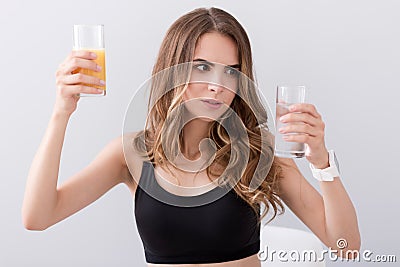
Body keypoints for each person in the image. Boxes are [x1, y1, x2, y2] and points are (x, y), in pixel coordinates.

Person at [22, 7, 360, 267]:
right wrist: (61, 112)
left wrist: (322, 163)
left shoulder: (258, 154)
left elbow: (347, 247)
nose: (217, 84)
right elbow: (38, 217)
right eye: (201, 67)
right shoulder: (132, 154)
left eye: (231, 71)